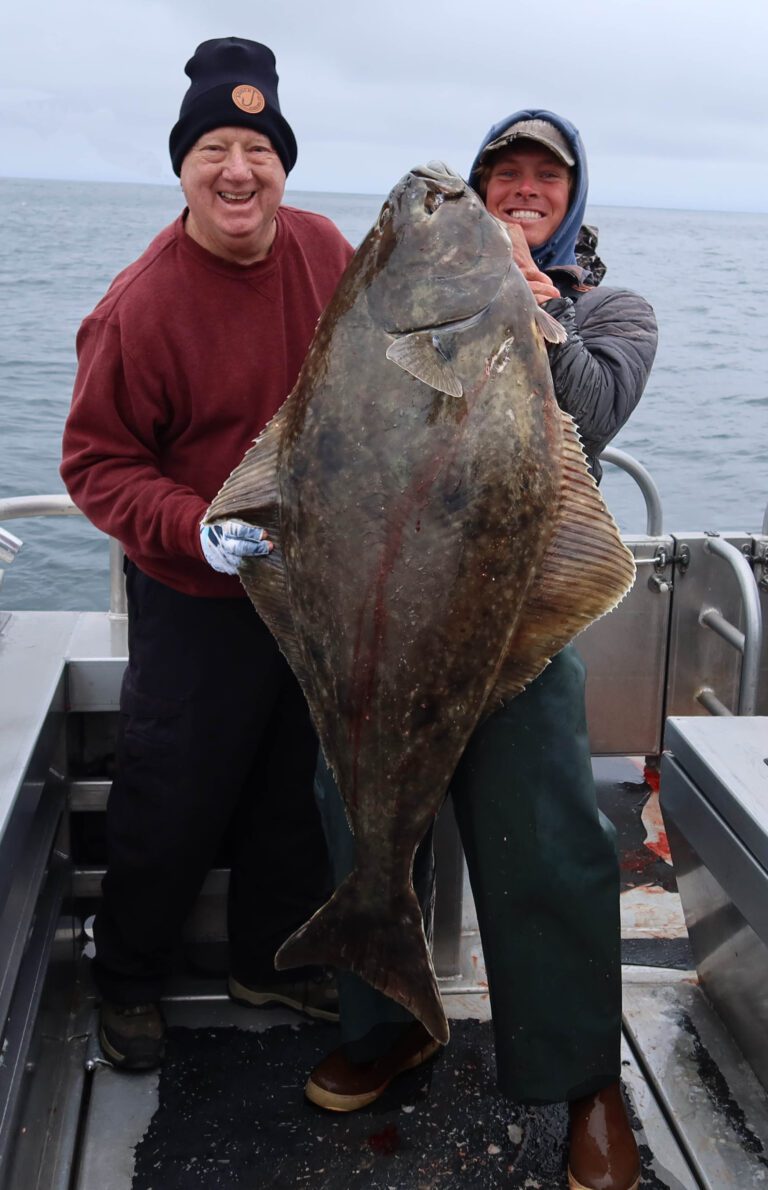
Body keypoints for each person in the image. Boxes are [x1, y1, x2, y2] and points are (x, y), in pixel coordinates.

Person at [303, 111, 658, 1190]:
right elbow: (342, 413)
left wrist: (535, 308)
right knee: (356, 811)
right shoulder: (401, 299)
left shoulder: (612, 310)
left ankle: (586, 1076)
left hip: (519, 620)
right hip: (390, 605)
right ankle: (394, 1020)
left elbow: (591, 411)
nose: (519, 190)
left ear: (571, 195)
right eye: (500, 174)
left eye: (542, 177)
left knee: (553, 848)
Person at [60, 36, 355, 1072]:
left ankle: (269, 961)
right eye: (215, 149)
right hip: (197, 586)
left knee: (293, 788)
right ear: (182, 166)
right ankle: (128, 976)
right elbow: (95, 463)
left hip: (311, 583)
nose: (239, 169)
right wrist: (191, 527)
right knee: (171, 790)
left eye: (259, 147)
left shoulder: (326, 249)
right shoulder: (139, 305)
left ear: (284, 163)